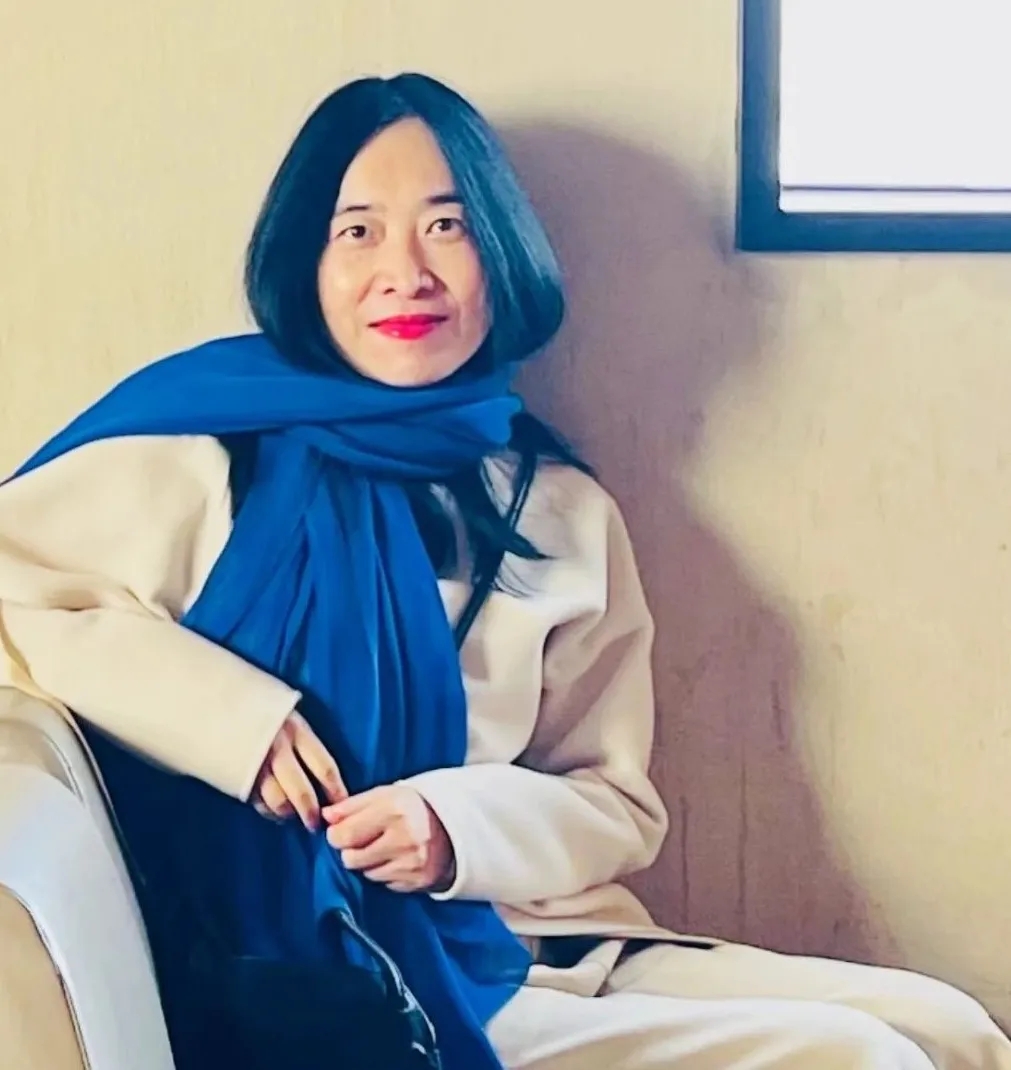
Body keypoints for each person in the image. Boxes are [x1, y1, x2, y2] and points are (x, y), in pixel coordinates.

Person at [0, 72, 1007, 1070]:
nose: (405, 272)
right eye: (357, 231)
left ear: (502, 252)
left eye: (447, 226)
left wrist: (453, 828)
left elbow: (612, 803)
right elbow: (16, 591)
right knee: (854, 1056)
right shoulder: (198, 455)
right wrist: (233, 725)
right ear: (304, 261)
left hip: (533, 935)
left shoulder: (556, 506)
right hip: (338, 979)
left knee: (949, 1027)